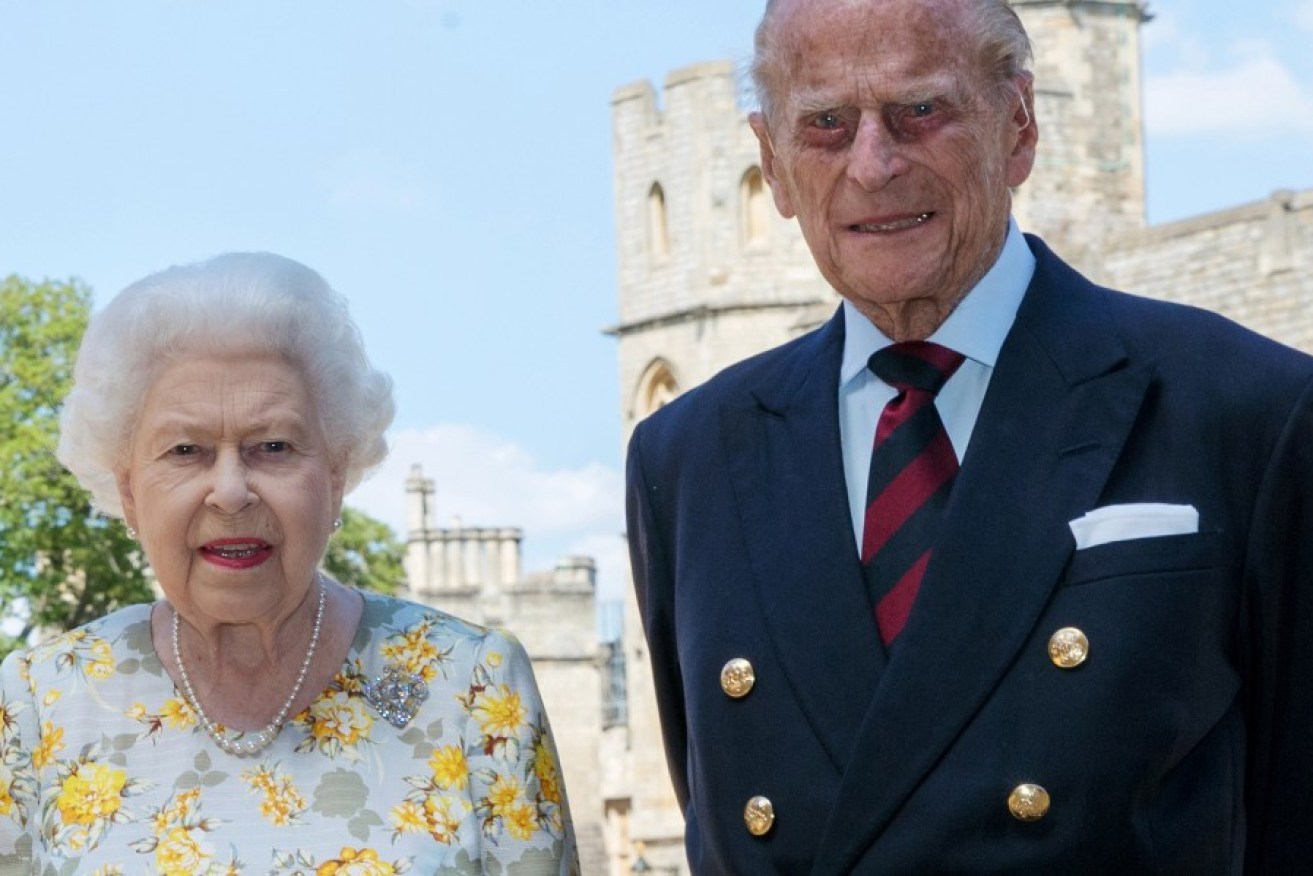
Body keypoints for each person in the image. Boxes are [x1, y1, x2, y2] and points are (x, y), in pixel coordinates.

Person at [625, 0, 1313, 872]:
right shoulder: (685, 458)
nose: (872, 166)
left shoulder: (1246, 410)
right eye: (826, 125)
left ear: (1017, 128)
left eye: (920, 111)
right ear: (772, 164)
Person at [0, 253, 579, 874]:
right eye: (186, 450)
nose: (230, 490)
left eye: (272, 447)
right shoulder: (39, 701)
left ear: (334, 476)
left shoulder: (473, 685)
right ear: (131, 492)